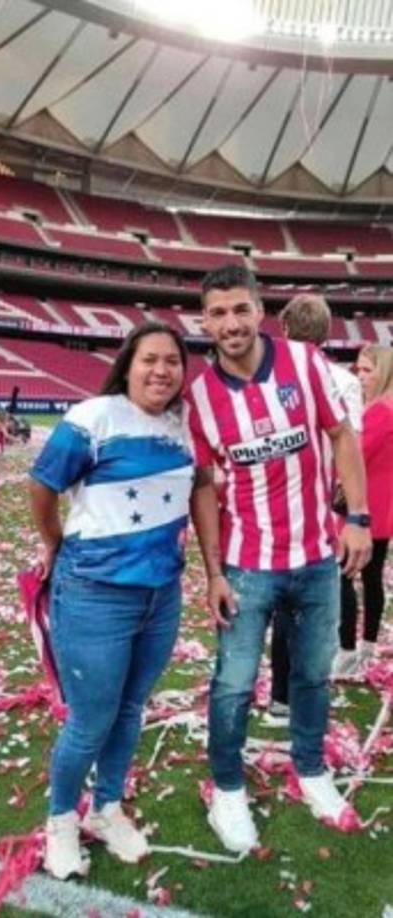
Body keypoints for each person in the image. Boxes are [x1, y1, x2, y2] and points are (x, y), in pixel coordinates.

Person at [186, 264, 371, 853]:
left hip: (317, 555)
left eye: (240, 309)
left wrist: (358, 520)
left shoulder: (304, 362)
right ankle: (228, 788)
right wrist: (213, 571)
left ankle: (312, 769)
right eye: (217, 313)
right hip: (246, 564)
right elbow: (204, 487)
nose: (230, 323)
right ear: (205, 321)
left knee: (313, 674)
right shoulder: (200, 397)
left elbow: (342, 436)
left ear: (260, 310)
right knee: (234, 683)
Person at [29, 322, 194, 880]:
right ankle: (60, 822)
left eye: (172, 361)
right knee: (90, 719)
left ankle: (106, 807)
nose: (161, 370)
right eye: (150, 359)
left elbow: (201, 489)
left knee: (129, 708)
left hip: (161, 595)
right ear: (129, 364)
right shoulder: (92, 417)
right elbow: (42, 483)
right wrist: (54, 542)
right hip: (95, 594)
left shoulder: (183, 426)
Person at [270, 294, 363, 697]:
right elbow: (351, 443)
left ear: (286, 329)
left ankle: (280, 695)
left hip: (278, 503)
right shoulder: (345, 381)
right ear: (327, 332)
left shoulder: (267, 377)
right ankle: (314, 683)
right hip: (324, 504)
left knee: (282, 601)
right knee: (320, 597)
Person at [335, 344, 393, 670]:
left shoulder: (379, 411)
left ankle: (347, 651)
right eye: (358, 369)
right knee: (371, 579)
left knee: (343, 575)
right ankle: (367, 646)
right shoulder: (383, 407)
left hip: (365, 509)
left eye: (368, 370)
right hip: (381, 509)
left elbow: (353, 459)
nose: (360, 376)